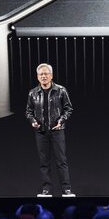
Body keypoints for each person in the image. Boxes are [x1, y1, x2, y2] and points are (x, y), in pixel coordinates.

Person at [25, 63, 75, 197]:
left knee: (61, 161)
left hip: (57, 130)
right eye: (41, 74)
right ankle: (46, 189)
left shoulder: (61, 90)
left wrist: (61, 121)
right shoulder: (33, 93)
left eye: (46, 73)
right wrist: (33, 121)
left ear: (51, 75)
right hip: (41, 132)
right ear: (37, 77)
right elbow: (28, 111)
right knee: (44, 162)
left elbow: (68, 108)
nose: (43, 76)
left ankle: (66, 189)